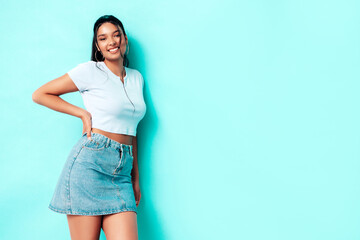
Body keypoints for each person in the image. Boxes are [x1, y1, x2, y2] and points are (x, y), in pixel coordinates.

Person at [32, 15, 146, 240]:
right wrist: (82, 114)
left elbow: (132, 130)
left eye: (116, 35)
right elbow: (40, 94)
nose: (111, 42)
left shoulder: (136, 78)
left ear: (124, 40)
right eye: (103, 38)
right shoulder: (90, 71)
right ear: (98, 46)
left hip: (122, 173)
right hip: (89, 167)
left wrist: (135, 177)